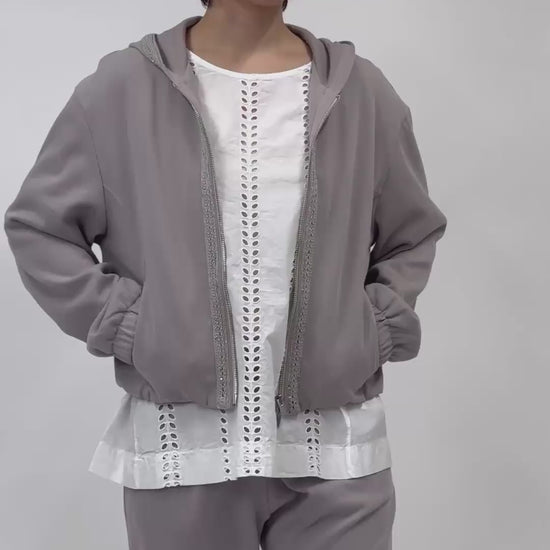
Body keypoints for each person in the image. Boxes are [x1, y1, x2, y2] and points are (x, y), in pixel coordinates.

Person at [3, 1, 447, 549]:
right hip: (184, 453)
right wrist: (130, 327)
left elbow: (411, 233)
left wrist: (371, 328)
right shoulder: (122, 89)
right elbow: (40, 228)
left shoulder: (363, 94)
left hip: (338, 451)